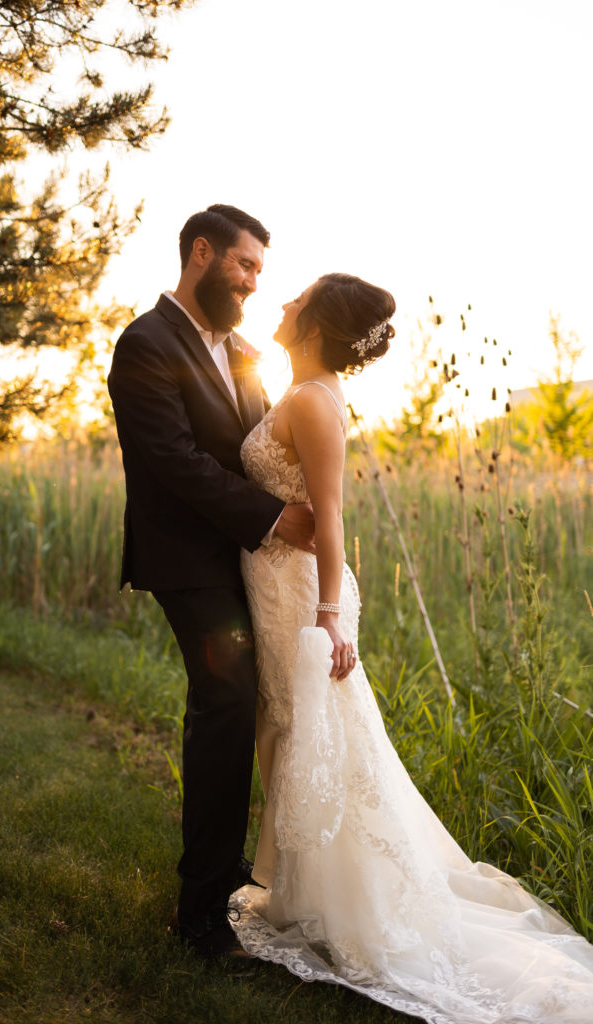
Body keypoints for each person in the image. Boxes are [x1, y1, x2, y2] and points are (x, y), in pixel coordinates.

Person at [232, 273, 593, 1020]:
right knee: (296, 739)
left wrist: (328, 615)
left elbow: (329, 517)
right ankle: (304, 891)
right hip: (278, 590)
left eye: (294, 300)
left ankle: (354, 909)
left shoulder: (313, 402)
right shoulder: (303, 391)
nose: (281, 304)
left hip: (303, 595)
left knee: (318, 745)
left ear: (313, 325)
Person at [107, 204, 314, 961]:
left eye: (260, 269)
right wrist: (272, 517)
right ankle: (199, 912)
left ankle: (231, 870)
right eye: (245, 265)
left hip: (247, 556)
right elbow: (172, 459)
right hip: (185, 557)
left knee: (255, 699)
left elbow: (256, 447)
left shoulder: (248, 352)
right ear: (201, 252)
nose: (256, 282)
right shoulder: (144, 342)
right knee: (225, 699)